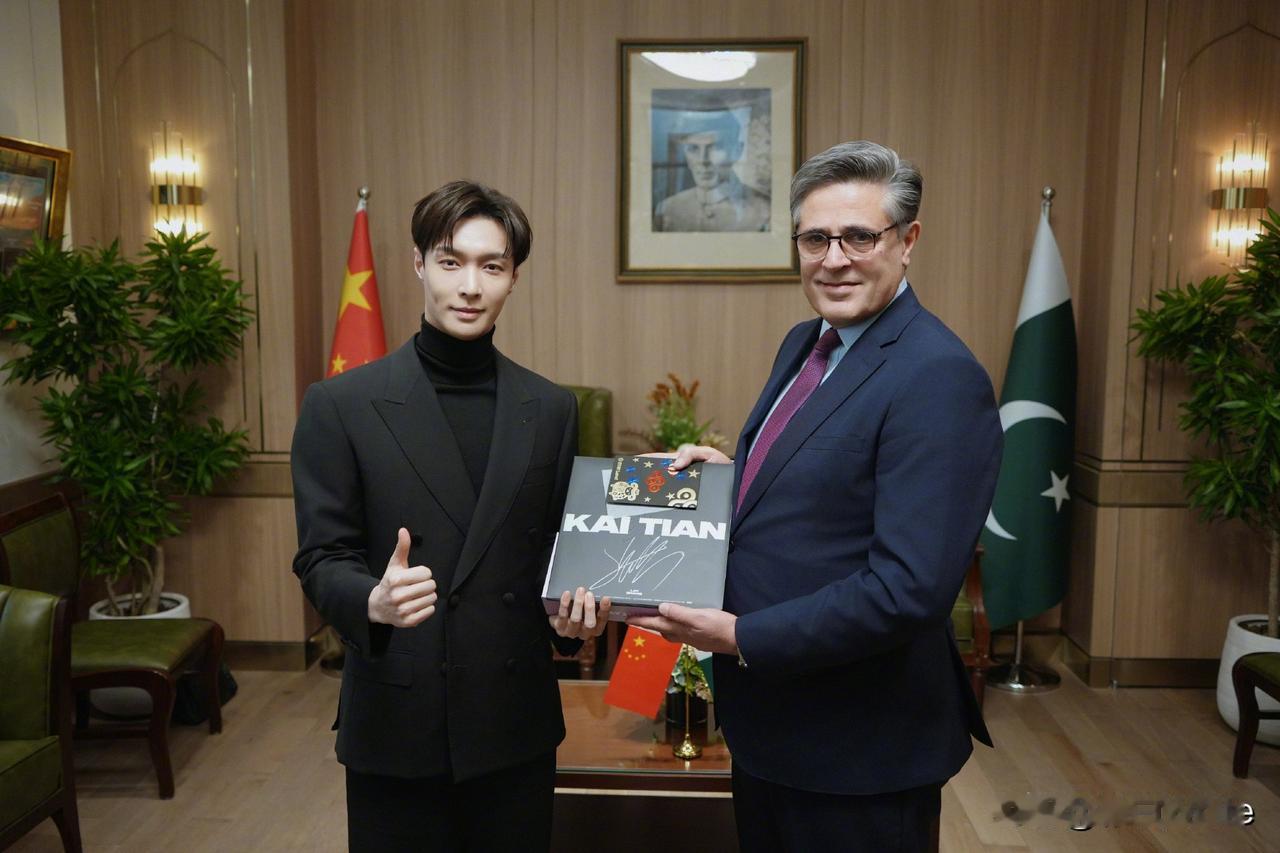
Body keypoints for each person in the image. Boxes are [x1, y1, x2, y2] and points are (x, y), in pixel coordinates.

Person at [630, 141, 1002, 852]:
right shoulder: (808, 341)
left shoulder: (938, 375)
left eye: (859, 236)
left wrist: (739, 637)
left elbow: (908, 589)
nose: (834, 259)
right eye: (815, 239)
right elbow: (825, 484)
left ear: (907, 241)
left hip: (859, 750)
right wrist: (733, 475)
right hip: (772, 729)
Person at [291, 180, 609, 853]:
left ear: (513, 278)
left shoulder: (550, 409)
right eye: (450, 261)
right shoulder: (341, 405)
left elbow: (557, 554)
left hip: (513, 721)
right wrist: (372, 600)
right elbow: (321, 556)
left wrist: (571, 616)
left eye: (491, 266)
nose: (469, 286)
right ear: (418, 264)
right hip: (399, 718)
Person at [653, 110, 771, 232]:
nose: (702, 160)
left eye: (715, 147)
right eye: (693, 148)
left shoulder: (765, 211)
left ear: (737, 151)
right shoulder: (667, 210)